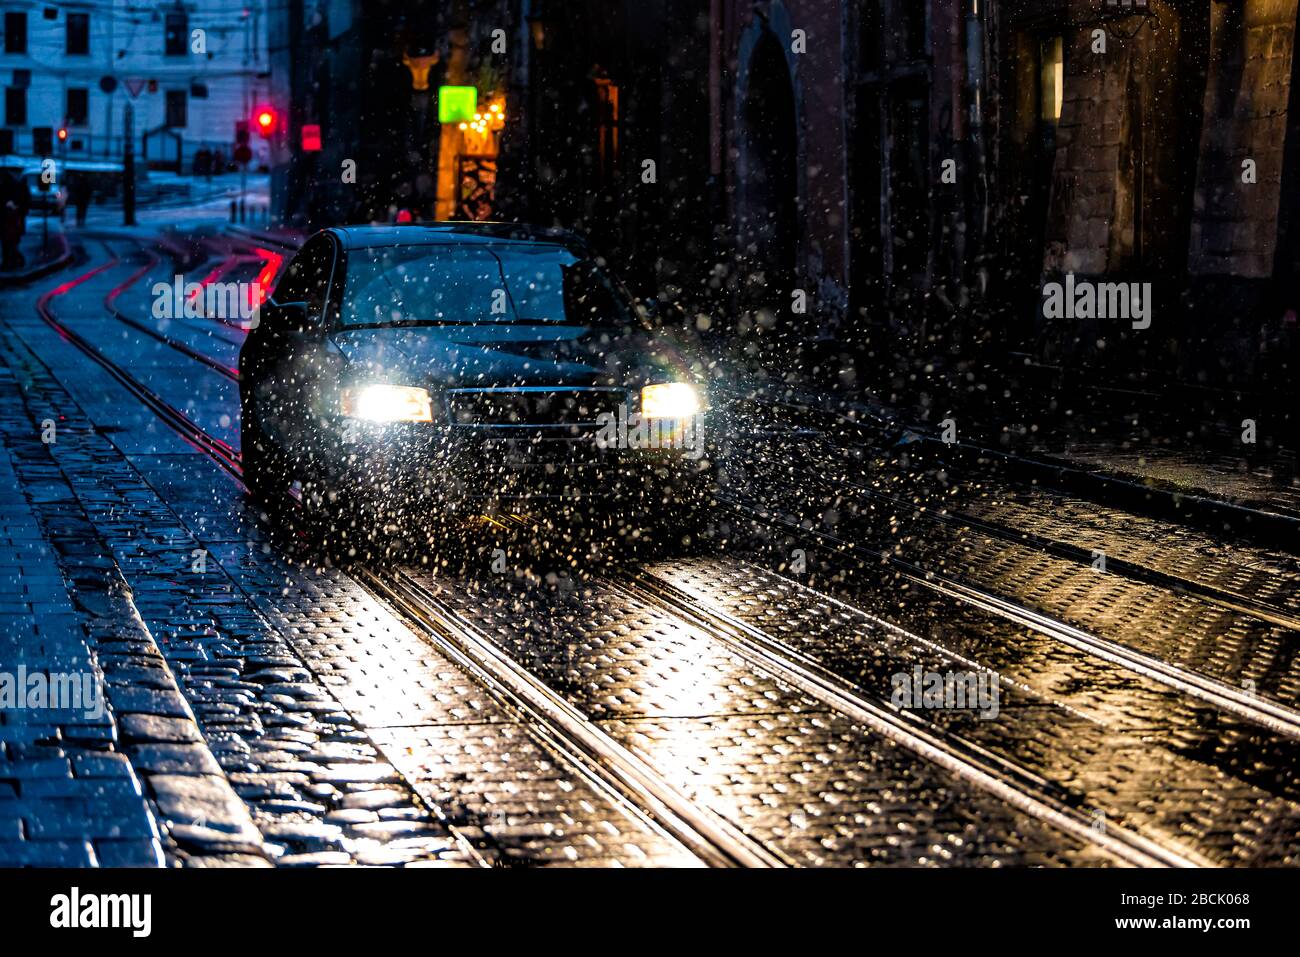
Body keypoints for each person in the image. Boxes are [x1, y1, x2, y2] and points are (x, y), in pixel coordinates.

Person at [0, 168, 31, 270]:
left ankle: (10, 261)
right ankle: (12, 260)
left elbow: (25, 203)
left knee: (8, 241)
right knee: (11, 241)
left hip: (12, 219)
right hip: (13, 219)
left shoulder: (15, 186)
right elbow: (26, 203)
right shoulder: (20, 186)